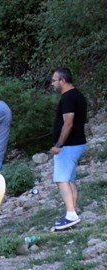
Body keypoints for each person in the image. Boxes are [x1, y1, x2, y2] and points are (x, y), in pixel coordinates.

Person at [49, 68, 89, 232]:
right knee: (69, 179)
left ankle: (71, 214)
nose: (52, 83)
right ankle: (72, 212)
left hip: (69, 145)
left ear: (62, 81)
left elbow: (68, 123)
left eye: (54, 80)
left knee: (61, 180)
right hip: (77, 143)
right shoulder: (77, 95)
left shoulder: (68, 98)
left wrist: (59, 145)